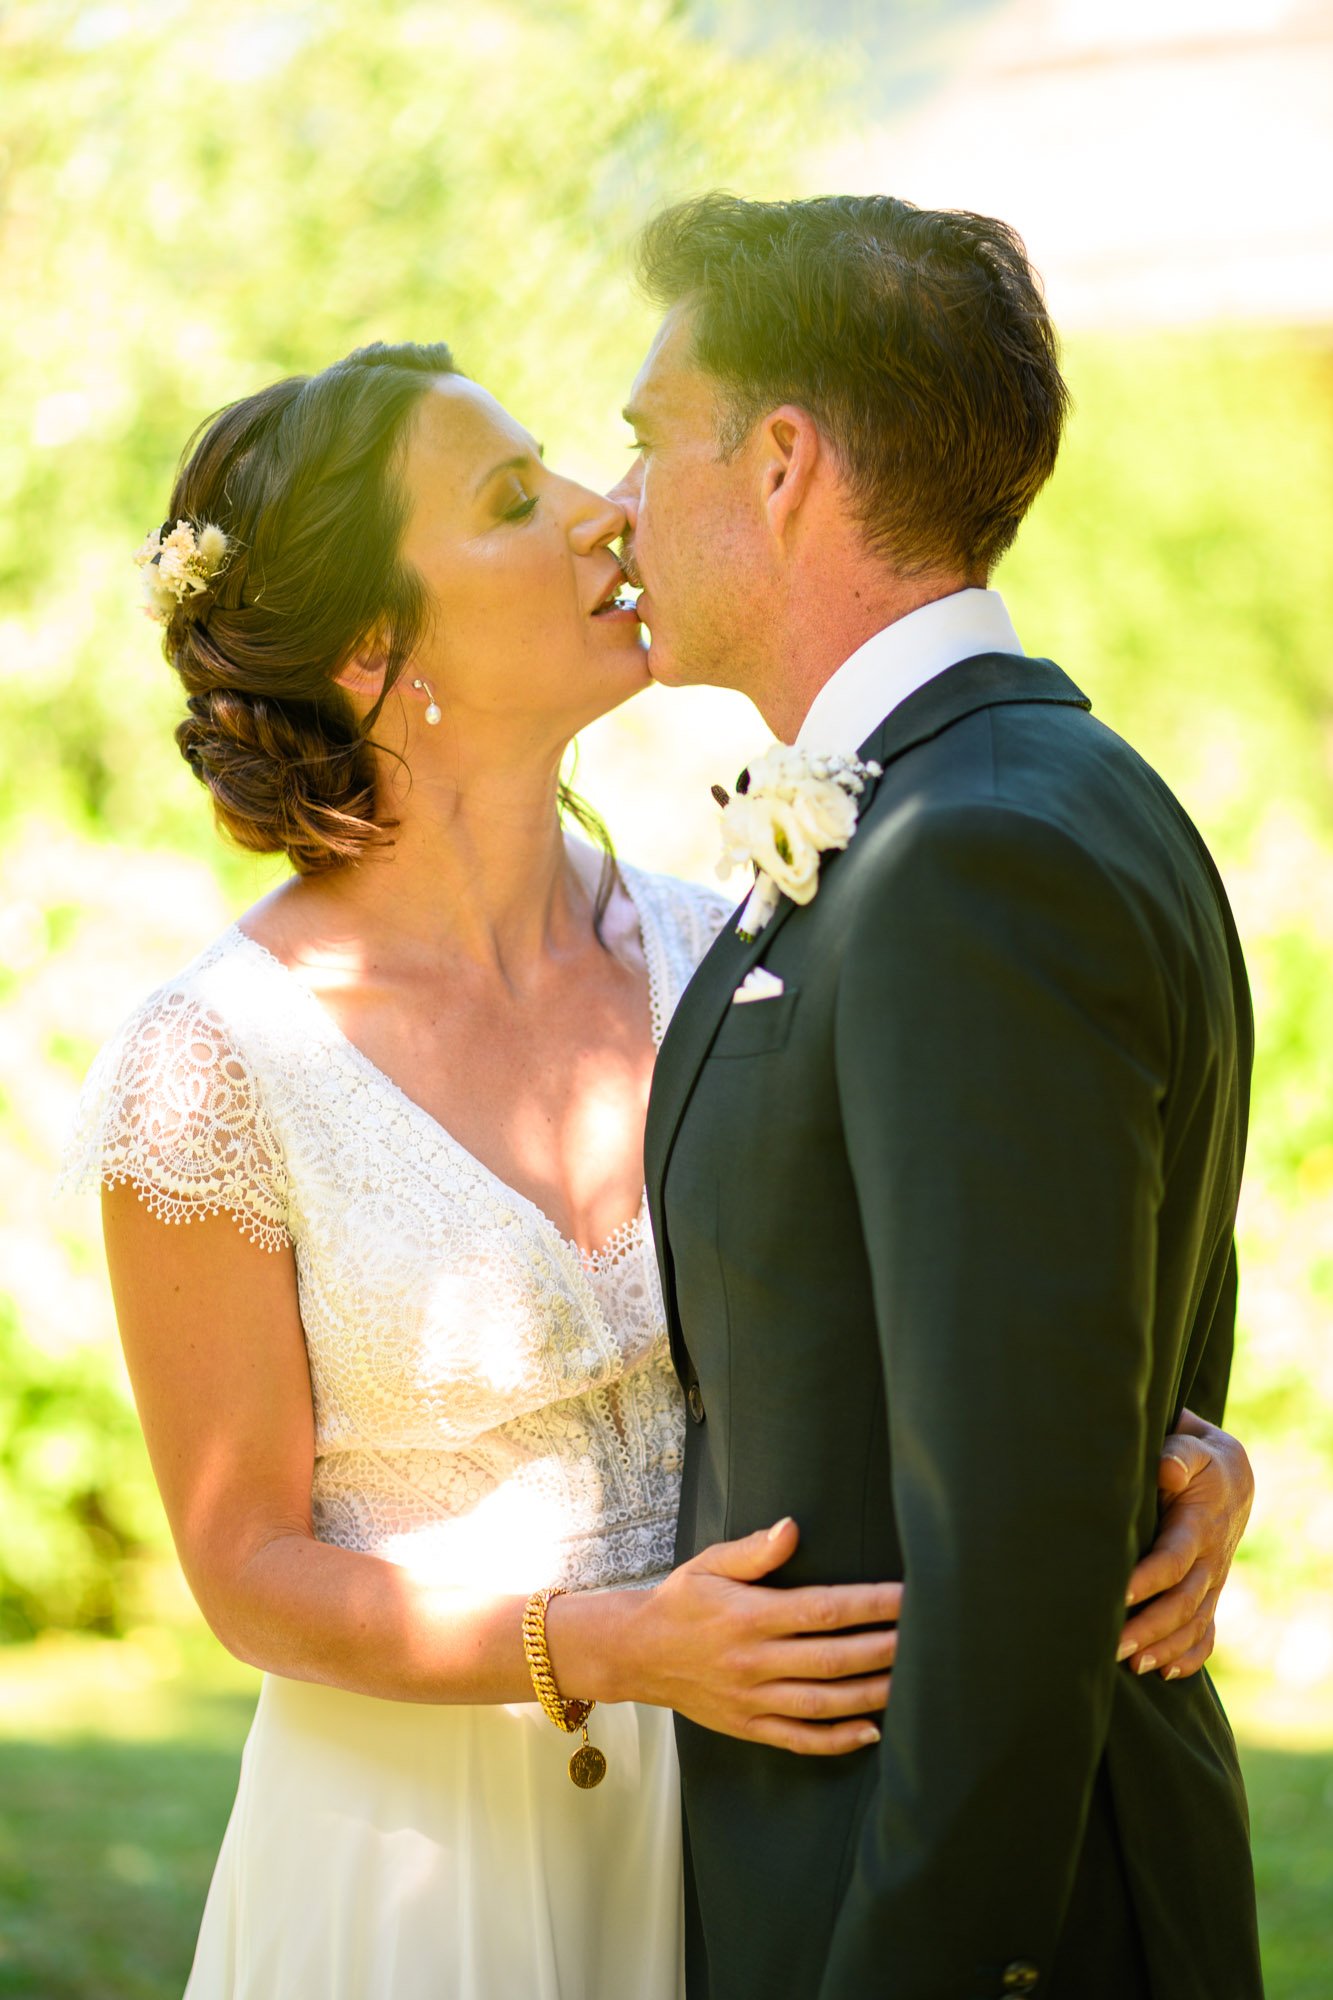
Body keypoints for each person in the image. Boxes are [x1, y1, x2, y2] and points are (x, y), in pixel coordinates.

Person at [61, 338, 1250, 2000]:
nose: (600, 511)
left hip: (743, 1837)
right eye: (508, 498)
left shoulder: (734, 946)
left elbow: (959, 1304)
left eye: (562, 465)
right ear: (369, 651)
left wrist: (1171, 1458)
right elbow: (245, 1574)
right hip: (428, 1876)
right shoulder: (214, 1066)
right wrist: (616, 1646)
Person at [623, 194, 1263, 1998]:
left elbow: (1013, 1534)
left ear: (779, 466)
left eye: (645, 441)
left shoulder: (967, 855)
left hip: (952, 1911)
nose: (618, 503)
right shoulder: (1012, 792)